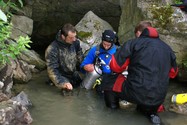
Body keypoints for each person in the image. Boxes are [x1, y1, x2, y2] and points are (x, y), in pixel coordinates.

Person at [106, 21, 178, 125]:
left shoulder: (134, 43)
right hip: (158, 97)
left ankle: (113, 114)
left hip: (137, 92)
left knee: (108, 81)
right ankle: (151, 114)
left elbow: (115, 66)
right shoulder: (168, 49)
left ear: (139, 33)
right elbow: (173, 74)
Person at [45, 23, 83, 92]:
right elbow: (52, 70)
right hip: (60, 77)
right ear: (63, 36)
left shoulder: (76, 43)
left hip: (73, 75)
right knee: (68, 95)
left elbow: (80, 58)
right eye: (71, 38)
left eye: (75, 36)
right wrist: (63, 83)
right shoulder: (52, 49)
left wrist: (87, 66)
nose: (74, 39)